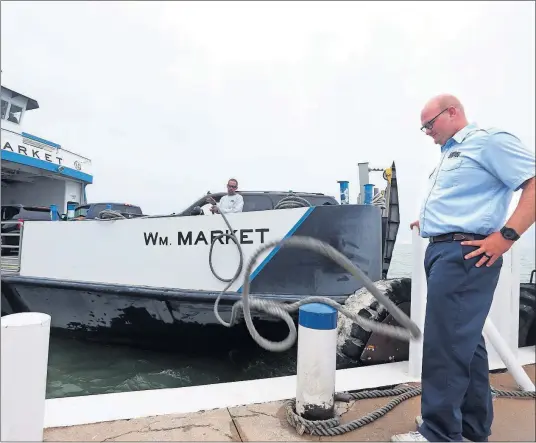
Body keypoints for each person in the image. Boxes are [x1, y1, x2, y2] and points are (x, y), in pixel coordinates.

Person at [391, 94, 535, 442]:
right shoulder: (449, 154)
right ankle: (471, 429)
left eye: (429, 124)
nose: (426, 132)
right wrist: (428, 220)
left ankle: (439, 434)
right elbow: (465, 199)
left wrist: (507, 236)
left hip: (465, 254)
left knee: (445, 346)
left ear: (452, 112)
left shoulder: (487, 141)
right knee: (465, 345)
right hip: (445, 251)